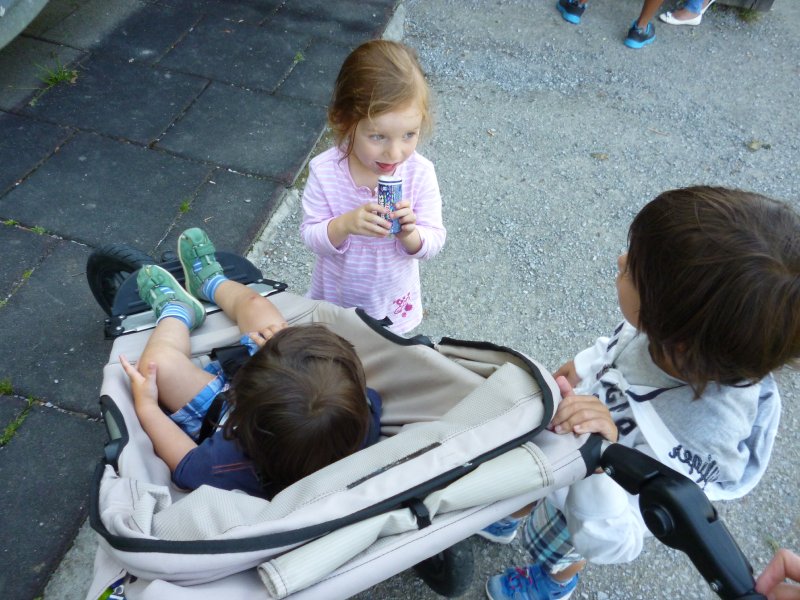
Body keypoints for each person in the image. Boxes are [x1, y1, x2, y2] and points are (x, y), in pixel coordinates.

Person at [485, 187, 800, 599]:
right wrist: (584, 364)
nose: (620, 260)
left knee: (561, 547)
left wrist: (598, 468)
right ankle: (511, 514)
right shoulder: (682, 340)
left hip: (592, 496)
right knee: (527, 483)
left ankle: (553, 583)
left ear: (677, 336)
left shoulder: (697, 440)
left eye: (633, 270)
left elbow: (618, 540)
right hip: (570, 437)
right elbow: (623, 343)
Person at [120, 227, 381, 500]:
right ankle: (209, 284)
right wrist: (280, 350)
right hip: (279, 395)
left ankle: (177, 311)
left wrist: (147, 406)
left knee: (157, 366)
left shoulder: (227, 463)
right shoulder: (361, 417)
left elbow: (186, 464)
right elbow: (346, 394)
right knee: (256, 305)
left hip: (222, 413)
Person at [300, 39, 446, 334]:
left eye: (409, 134)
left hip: (391, 306)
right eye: (378, 137)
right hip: (336, 302)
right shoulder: (326, 172)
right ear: (344, 120)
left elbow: (434, 239)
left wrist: (410, 235)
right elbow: (310, 235)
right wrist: (344, 225)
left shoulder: (419, 173)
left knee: (383, 357)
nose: (394, 153)